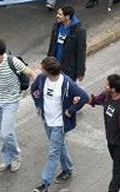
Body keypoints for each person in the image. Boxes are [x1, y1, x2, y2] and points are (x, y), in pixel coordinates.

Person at [31, 57, 89, 192]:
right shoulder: (41, 78)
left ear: (49, 71)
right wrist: (38, 104)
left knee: (53, 152)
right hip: (47, 121)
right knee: (60, 145)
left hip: (59, 124)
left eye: (42, 68)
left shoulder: (67, 83)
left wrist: (71, 110)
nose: (40, 70)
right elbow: (34, 90)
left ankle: (45, 184)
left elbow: (84, 97)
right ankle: (68, 169)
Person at [0, 38, 36, 173]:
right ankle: (7, 159)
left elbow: (30, 73)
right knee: (1, 133)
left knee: (7, 133)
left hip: (11, 102)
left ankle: (15, 157)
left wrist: (36, 89)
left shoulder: (12, 61)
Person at [88, 74, 120, 192]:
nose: (105, 86)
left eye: (107, 84)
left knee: (117, 169)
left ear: (113, 89)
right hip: (110, 139)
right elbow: (95, 100)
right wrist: (82, 98)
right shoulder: (106, 96)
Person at [47, 5, 86, 82]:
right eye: (57, 13)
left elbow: (81, 52)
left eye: (60, 14)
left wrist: (80, 72)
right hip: (55, 66)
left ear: (67, 17)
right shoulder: (56, 27)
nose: (57, 16)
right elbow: (52, 46)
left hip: (68, 70)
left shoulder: (79, 31)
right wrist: (47, 63)